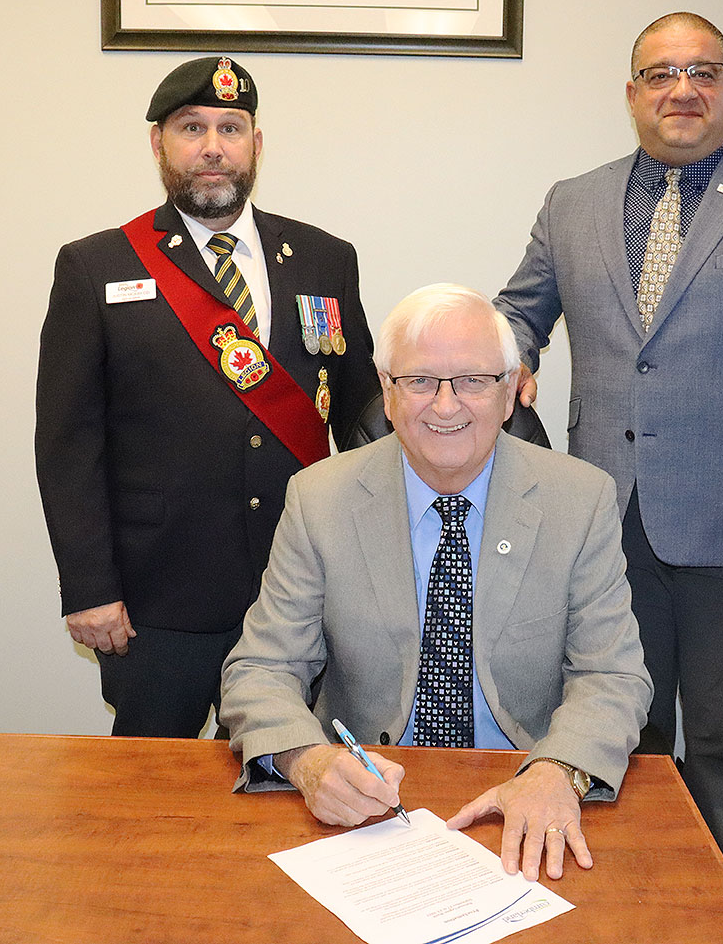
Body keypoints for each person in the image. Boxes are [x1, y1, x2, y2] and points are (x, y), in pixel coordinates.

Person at [493, 12, 723, 883]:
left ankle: (715, 914)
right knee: (605, 733)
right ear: (633, 94)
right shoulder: (573, 201)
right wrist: (499, 357)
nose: (684, 88)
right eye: (663, 73)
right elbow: (520, 310)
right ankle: (620, 904)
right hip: (597, 519)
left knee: (719, 745)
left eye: (705, 71)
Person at [221, 284, 652, 881]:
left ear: (509, 392)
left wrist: (558, 771)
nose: (445, 406)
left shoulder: (579, 499)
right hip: (370, 800)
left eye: (473, 380)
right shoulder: (319, 498)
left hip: (522, 790)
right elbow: (260, 669)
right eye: (420, 381)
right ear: (387, 392)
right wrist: (309, 762)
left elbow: (612, 674)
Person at [35, 56, 380, 738]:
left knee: (289, 784)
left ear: (257, 143)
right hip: (157, 597)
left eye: (232, 126)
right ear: (158, 144)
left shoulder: (324, 258)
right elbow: (69, 445)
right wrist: (89, 586)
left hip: (298, 586)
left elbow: (361, 416)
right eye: (192, 127)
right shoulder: (97, 265)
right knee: (146, 801)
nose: (213, 146)